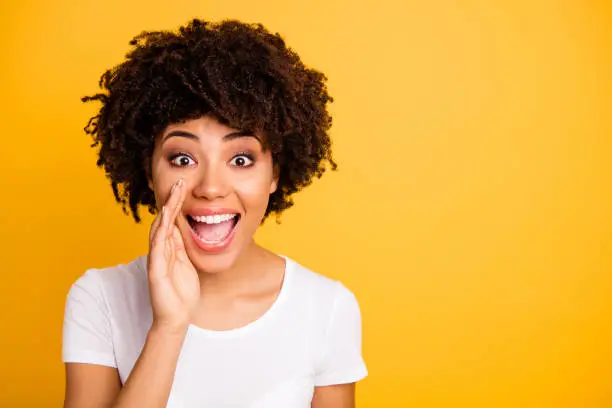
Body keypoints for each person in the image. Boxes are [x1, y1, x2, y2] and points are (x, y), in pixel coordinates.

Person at [62, 18, 367, 408]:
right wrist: (169, 328)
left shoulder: (327, 308)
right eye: (183, 158)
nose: (210, 187)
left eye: (241, 158)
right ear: (149, 170)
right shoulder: (99, 298)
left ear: (274, 173)